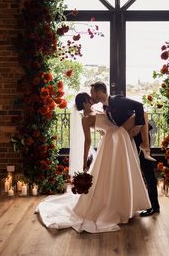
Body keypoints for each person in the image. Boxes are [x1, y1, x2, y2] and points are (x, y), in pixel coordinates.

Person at [35, 92, 151, 233]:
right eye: (90, 99)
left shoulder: (99, 110)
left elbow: (108, 125)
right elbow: (88, 141)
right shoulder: (86, 119)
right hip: (110, 144)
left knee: (118, 174)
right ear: (85, 103)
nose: (93, 100)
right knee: (109, 176)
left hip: (115, 140)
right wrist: (84, 163)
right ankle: (115, 206)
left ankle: (123, 204)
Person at [90, 82, 160, 217]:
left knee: (147, 170)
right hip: (130, 139)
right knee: (136, 169)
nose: (91, 95)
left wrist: (139, 126)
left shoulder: (117, 100)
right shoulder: (106, 107)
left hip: (140, 136)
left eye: (92, 92)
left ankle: (154, 206)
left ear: (99, 92)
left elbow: (139, 106)